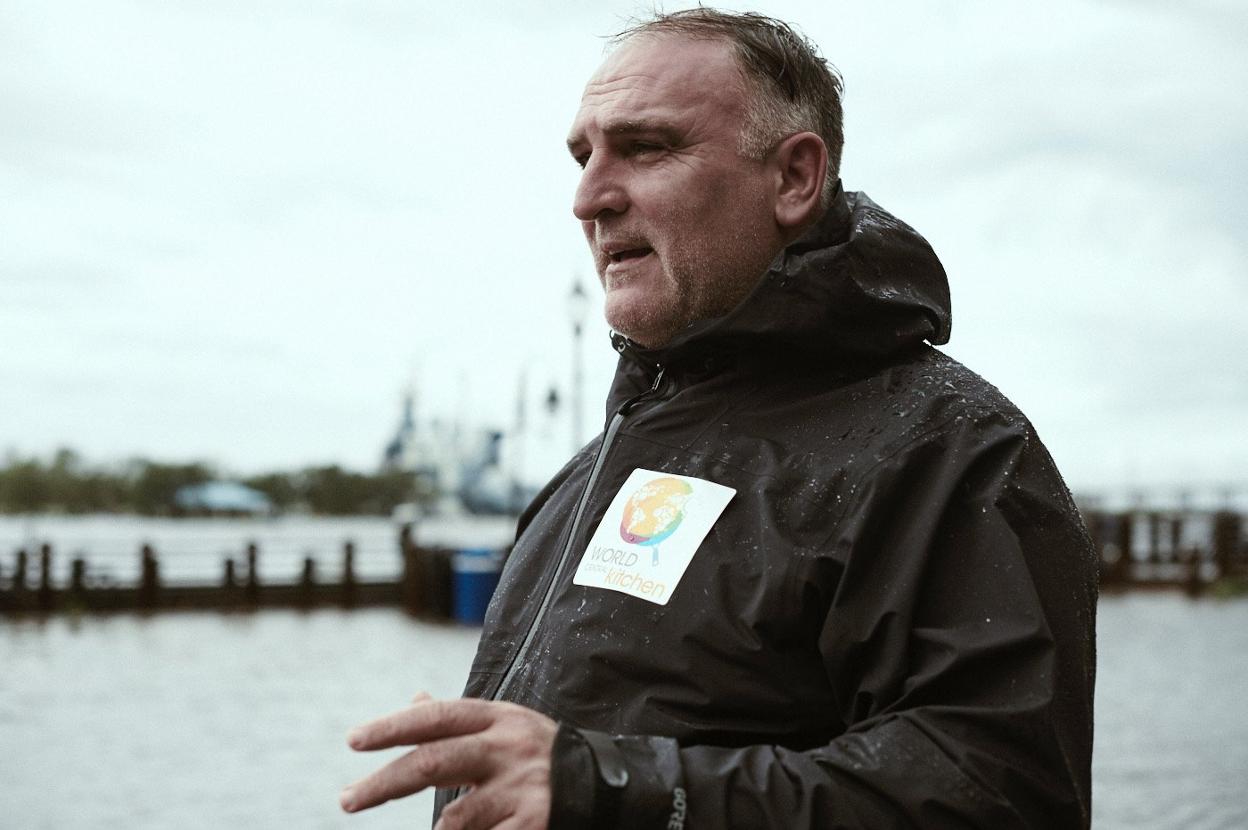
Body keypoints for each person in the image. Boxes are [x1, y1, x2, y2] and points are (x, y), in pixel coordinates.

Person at [340, 9, 1098, 829]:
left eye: (646, 147)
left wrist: (614, 789)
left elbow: (1001, 798)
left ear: (794, 179)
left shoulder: (950, 450)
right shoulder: (600, 463)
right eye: (582, 155)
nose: (588, 198)